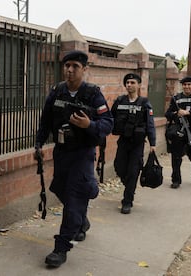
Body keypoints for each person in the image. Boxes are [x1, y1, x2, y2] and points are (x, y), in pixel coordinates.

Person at [34, 50, 113, 268]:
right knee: (60, 189)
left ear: (84, 69)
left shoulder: (92, 94)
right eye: (67, 65)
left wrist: (90, 125)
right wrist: (39, 143)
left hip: (83, 153)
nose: (69, 70)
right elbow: (45, 120)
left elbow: (108, 123)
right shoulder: (57, 91)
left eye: (75, 66)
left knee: (74, 194)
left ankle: (61, 247)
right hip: (62, 152)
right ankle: (81, 220)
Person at [111, 73, 156, 214]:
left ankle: (127, 201)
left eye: (132, 82)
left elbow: (150, 124)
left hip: (137, 144)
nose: (129, 85)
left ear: (138, 85)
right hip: (123, 142)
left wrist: (153, 143)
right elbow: (110, 119)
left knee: (133, 171)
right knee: (119, 167)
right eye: (127, 82)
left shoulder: (144, 103)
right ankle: (129, 185)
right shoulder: (119, 101)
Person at [165, 76, 191, 189]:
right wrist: (176, 114)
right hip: (179, 129)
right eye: (184, 85)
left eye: (189, 84)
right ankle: (176, 180)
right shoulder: (176, 98)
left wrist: (188, 113)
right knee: (176, 155)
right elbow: (168, 114)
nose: (187, 87)